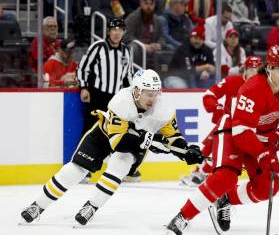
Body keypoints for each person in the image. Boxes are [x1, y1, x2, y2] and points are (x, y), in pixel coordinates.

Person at [20, 69, 204, 226]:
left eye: (156, 93)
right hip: (105, 134)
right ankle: (39, 205)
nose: (153, 98)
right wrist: (150, 140)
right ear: (136, 91)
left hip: (136, 143)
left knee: (119, 166)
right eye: (149, 93)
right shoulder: (121, 101)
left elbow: (172, 136)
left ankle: (91, 206)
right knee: (75, 170)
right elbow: (118, 141)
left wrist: (186, 150)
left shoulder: (164, 109)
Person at [163, 45, 279, 235]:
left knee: (267, 187)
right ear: (269, 68)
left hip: (261, 140)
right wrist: (264, 154)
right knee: (226, 177)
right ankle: (182, 217)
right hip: (234, 132)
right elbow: (242, 133)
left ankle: (226, 198)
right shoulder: (254, 87)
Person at [180, 55, 263, 187]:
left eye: (258, 70)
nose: (255, 73)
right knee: (211, 146)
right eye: (252, 69)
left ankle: (203, 174)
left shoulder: (264, 88)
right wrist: (218, 108)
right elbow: (210, 95)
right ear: (245, 70)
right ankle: (200, 173)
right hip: (229, 124)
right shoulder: (232, 81)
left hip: (248, 129)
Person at [77, 18, 137, 182]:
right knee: (91, 131)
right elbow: (83, 67)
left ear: (124, 32)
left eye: (120, 30)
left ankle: (118, 170)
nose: (117, 32)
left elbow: (128, 76)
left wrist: (132, 96)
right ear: (109, 31)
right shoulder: (97, 47)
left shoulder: (126, 51)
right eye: (114, 29)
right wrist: (83, 87)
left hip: (116, 99)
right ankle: (83, 169)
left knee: (118, 132)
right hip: (97, 95)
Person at [124, 0, 164, 69]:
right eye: (146, 4)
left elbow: (162, 37)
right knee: (133, 47)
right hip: (138, 46)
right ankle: (135, 74)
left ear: (154, 5)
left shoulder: (157, 19)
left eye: (151, 4)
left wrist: (159, 44)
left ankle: (164, 75)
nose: (149, 7)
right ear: (141, 4)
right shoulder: (132, 17)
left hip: (152, 47)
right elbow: (127, 36)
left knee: (169, 48)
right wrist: (143, 45)